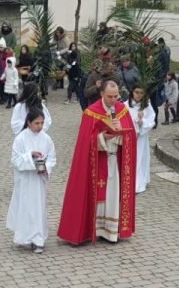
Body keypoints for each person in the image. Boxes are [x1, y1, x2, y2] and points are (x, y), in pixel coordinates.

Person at [57, 80, 137, 245]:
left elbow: (131, 138)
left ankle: (111, 232)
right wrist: (102, 137)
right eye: (110, 96)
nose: (114, 100)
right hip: (98, 161)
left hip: (115, 160)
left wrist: (121, 131)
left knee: (113, 195)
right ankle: (94, 229)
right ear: (101, 94)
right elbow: (84, 142)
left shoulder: (122, 111)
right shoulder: (91, 112)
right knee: (99, 196)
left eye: (116, 96)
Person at [7, 108, 57, 254]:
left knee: (38, 208)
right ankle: (24, 237)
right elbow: (15, 160)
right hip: (25, 180)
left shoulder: (46, 139)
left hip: (38, 180)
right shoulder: (20, 139)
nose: (40, 126)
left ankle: (38, 239)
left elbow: (52, 158)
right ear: (29, 123)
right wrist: (30, 156)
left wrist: (45, 167)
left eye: (42, 123)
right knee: (25, 208)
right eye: (36, 123)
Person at [128, 86, 156, 194]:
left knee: (140, 158)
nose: (139, 95)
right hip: (130, 137)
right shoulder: (126, 105)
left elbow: (151, 120)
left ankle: (139, 181)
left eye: (141, 93)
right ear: (132, 92)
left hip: (141, 138)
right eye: (136, 92)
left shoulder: (146, 106)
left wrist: (141, 121)